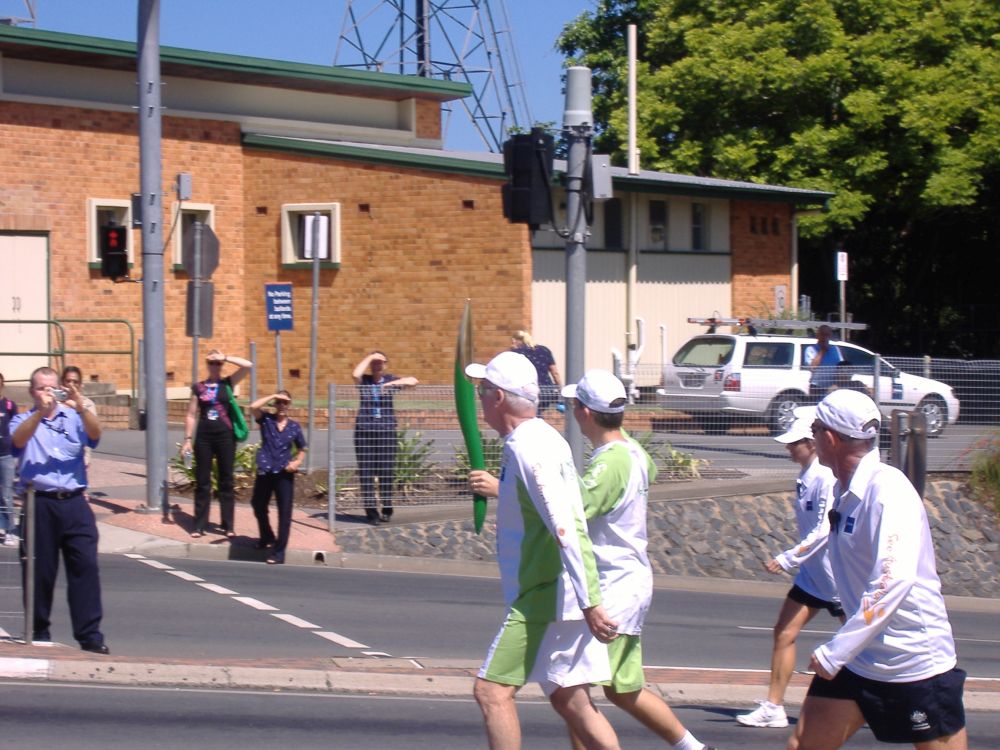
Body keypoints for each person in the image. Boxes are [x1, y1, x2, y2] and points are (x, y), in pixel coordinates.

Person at [791, 389, 967, 750]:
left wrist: (837, 650)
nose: (811, 436)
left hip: (914, 661)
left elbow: (893, 579)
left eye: (814, 428)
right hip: (862, 659)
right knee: (804, 745)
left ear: (830, 438)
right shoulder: (844, 489)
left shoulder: (888, 491)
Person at [465, 351, 621, 750]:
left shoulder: (528, 448)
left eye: (482, 391)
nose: (478, 399)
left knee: (491, 692)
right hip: (558, 592)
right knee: (569, 698)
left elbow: (566, 527)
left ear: (498, 397)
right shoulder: (544, 438)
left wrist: (591, 602)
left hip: (543, 595)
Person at [563, 369, 715, 750]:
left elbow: (572, 512)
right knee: (619, 688)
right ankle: (693, 749)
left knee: (572, 686)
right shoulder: (633, 451)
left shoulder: (610, 462)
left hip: (613, 586)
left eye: (573, 405)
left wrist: (505, 490)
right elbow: (647, 470)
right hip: (629, 580)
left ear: (584, 412)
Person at [737, 406, 843, 730]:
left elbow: (825, 529)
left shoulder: (825, 477)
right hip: (813, 577)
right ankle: (774, 707)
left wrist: (788, 558)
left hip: (839, 579)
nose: (788, 447)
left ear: (812, 442)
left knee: (867, 644)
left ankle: (899, 697)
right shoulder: (805, 474)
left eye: (794, 442)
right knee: (783, 633)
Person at [10, 366, 108, 653]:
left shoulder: (75, 418)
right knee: (39, 569)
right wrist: (40, 412)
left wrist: (79, 404)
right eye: (42, 388)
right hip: (39, 501)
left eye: (53, 387)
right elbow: (17, 441)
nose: (48, 393)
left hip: (75, 500)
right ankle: (39, 630)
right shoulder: (24, 418)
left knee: (86, 566)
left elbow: (95, 433)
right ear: (32, 391)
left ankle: (90, 635)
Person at [182, 349, 253, 538]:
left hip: (225, 437)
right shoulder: (198, 387)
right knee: (203, 481)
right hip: (204, 438)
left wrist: (226, 357)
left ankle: (227, 525)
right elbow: (190, 414)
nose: (215, 366)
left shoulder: (227, 383)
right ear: (206, 364)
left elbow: (248, 366)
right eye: (211, 362)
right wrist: (187, 439)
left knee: (226, 481)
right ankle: (199, 524)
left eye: (218, 363)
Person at [351, 351, 418, 524]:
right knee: (366, 474)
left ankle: (387, 508)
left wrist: (390, 385)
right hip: (364, 431)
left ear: (385, 365)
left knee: (386, 472)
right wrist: (369, 356)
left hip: (386, 431)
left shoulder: (389, 380)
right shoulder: (365, 381)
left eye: (380, 362)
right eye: (374, 362)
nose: (377, 365)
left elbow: (413, 381)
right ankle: (371, 513)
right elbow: (355, 374)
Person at [249, 390, 306, 565]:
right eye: (279, 402)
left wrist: (297, 462)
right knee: (258, 504)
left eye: (285, 403)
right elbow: (253, 407)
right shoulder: (266, 420)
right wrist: (273, 396)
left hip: (284, 473)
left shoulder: (294, 427)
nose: (282, 406)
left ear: (290, 405)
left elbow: (303, 448)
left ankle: (279, 552)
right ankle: (267, 536)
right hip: (266, 469)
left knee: (284, 512)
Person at [510, 330, 562, 412]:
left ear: (514, 340)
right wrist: (560, 389)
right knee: (537, 412)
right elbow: (555, 373)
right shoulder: (545, 350)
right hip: (547, 391)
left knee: (532, 414)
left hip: (528, 391)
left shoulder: (515, 353)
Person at [61, 365, 97, 467]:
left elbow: (92, 431)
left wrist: (78, 406)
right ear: (62, 382)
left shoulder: (88, 404)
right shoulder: (56, 402)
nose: (71, 385)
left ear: (80, 384)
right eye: (68, 381)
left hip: (79, 456)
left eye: (75, 382)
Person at [0, 372, 18, 546]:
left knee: (6, 494)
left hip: (6, 455)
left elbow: (16, 428)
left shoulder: (9, 405)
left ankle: (9, 530)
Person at [804, 324, 843, 396]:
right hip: (817, 387)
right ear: (817, 335)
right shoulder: (810, 349)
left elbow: (841, 366)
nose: (825, 337)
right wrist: (822, 350)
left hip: (832, 387)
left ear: (830, 336)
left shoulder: (835, 349)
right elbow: (812, 367)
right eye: (822, 334)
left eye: (827, 334)